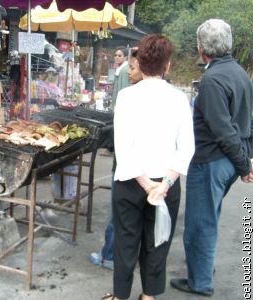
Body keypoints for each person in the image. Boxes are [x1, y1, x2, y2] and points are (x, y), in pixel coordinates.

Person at [102, 34, 195, 300]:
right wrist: (163, 185)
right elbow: (186, 148)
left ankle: (120, 295)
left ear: (140, 63)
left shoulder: (127, 97)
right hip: (167, 183)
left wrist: (147, 185)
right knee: (157, 242)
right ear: (167, 65)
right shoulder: (179, 99)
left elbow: (123, 148)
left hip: (131, 183)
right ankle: (149, 296)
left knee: (126, 241)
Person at [171, 19, 253, 297]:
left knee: (199, 223)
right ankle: (203, 267)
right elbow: (247, 122)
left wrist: (244, 164)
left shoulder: (212, 79)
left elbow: (222, 130)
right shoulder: (240, 73)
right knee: (209, 216)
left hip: (212, 161)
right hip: (228, 161)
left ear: (201, 49)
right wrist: (245, 158)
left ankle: (201, 281)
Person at [90, 49, 142, 271]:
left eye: (132, 67)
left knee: (118, 213)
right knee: (134, 216)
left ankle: (109, 256)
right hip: (145, 169)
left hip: (127, 167)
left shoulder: (131, 97)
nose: (128, 71)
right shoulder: (167, 96)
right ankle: (125, 255)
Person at [101, 46, 130, 157]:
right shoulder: (121, 68)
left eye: (120, 55)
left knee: (116, 127)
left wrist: (118, 104)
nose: (117, 57)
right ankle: (112, 149)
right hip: (117, 102)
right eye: (116, 55)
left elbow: (123, 88)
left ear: (125, 57)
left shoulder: (124, 70)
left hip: (120, 104)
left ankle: (112, 149)